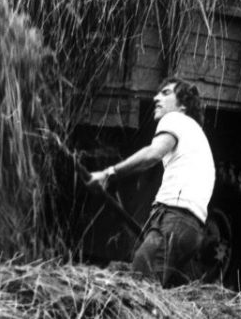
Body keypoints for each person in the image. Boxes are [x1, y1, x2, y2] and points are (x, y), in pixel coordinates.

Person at [87, 77, 215, 287]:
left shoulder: (175, 119)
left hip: (174, 219)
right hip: (192, 228)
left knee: (140, 285)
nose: (156, 98)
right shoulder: (197, 134)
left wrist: (109, 173)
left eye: (165, 94)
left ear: (182, 106)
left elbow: (152, 155)